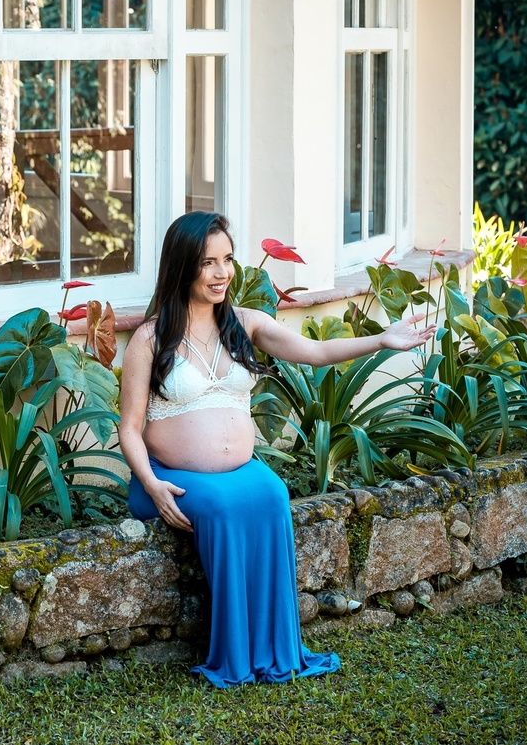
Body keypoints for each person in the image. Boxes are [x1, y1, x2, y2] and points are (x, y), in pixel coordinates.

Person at [119, 212, 436, 687]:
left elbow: (314, 351)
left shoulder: (247, 325)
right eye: (208, 263)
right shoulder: (151, 339)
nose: (222, 273)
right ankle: (235, 654)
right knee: (225, 506)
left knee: (272, 494)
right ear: (183, 266)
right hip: (168, 478)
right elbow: (129, 428)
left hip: (240, 472)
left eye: (227, 260)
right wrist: (151, 484)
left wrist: (383, 340)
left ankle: (275, 647)